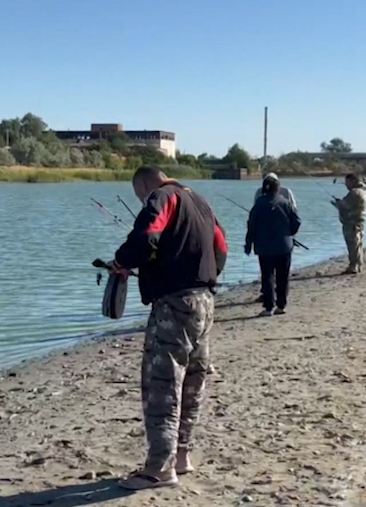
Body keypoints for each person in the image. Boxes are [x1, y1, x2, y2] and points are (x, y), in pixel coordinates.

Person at [110, 166, 227, 491]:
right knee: (193, 381)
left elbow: (148, 235)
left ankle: (159, 468)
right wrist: (205, 275)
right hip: (205, 302)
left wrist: (122, 261)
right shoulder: (200, 201)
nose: (142, 200)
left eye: (139, 196)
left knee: (162, 383)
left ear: (145, 185)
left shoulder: (162, 196)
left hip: (174, 305)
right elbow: (221, 246)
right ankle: (181, 457)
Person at [245, 176, 301, 316]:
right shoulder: (286, 203)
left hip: (264, 247)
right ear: (278, 188)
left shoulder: (258, 204)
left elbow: (251, 226)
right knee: (283, 276)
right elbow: (297, 221)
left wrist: (248, 243)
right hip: (284, 245)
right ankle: (281, 305)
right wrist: (289, 233)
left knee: (267, 276)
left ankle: (268, 307)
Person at [331, 173, 366, 274]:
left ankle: (354, 266)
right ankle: (358, 265)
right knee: (358, 244)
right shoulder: (362, 192)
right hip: (359, 221)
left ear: (353, 181)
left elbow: (346, 205)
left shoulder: (354, 193)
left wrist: (338, 204)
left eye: (347, 182)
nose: (346, 185)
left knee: (353, 244)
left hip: (352, 223)